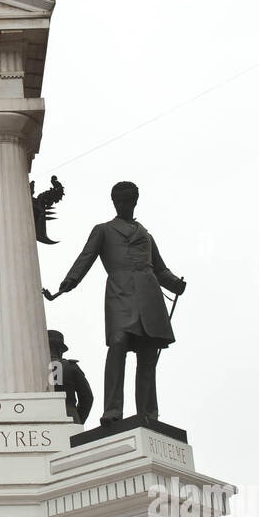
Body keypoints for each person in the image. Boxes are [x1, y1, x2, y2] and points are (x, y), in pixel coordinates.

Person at [56, 181, 185, 425]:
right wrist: (68, 282)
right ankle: (113, 410)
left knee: (148, 355)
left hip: (149, 296)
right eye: (119, 201)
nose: (123, 205)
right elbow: (86, 257)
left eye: (127, 201)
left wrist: (175, 284)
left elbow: (160, 268)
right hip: (120, 294)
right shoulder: (103, 230)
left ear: (135, 202)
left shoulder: (146, 235)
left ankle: (148, 414)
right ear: (114, 203)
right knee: (118, 345)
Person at [47, 329, 94, 425]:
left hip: (41, 418)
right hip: (70, 416)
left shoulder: (33, 368)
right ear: (59, 349)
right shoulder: (71, 366)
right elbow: (87, 398)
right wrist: (77, 419)